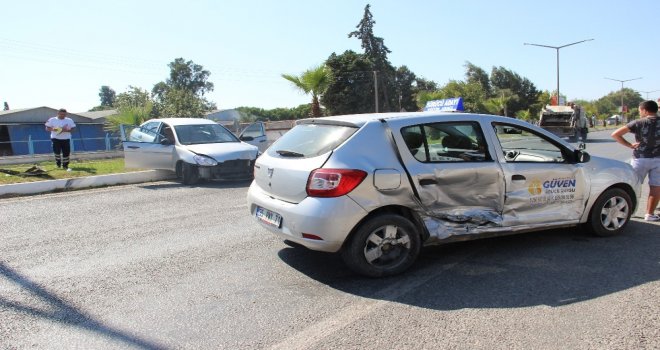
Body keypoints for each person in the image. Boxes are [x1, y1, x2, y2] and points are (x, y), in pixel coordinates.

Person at [611, 100, 659, 221]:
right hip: (658, 159)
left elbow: (615, 134)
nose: (639, 112)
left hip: (640, 159)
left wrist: (629, 145)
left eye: (640, 110)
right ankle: (649, 214)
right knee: (656, 187)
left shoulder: (638, 122)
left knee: (632, 185)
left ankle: (627, 212)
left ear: (645, 110)